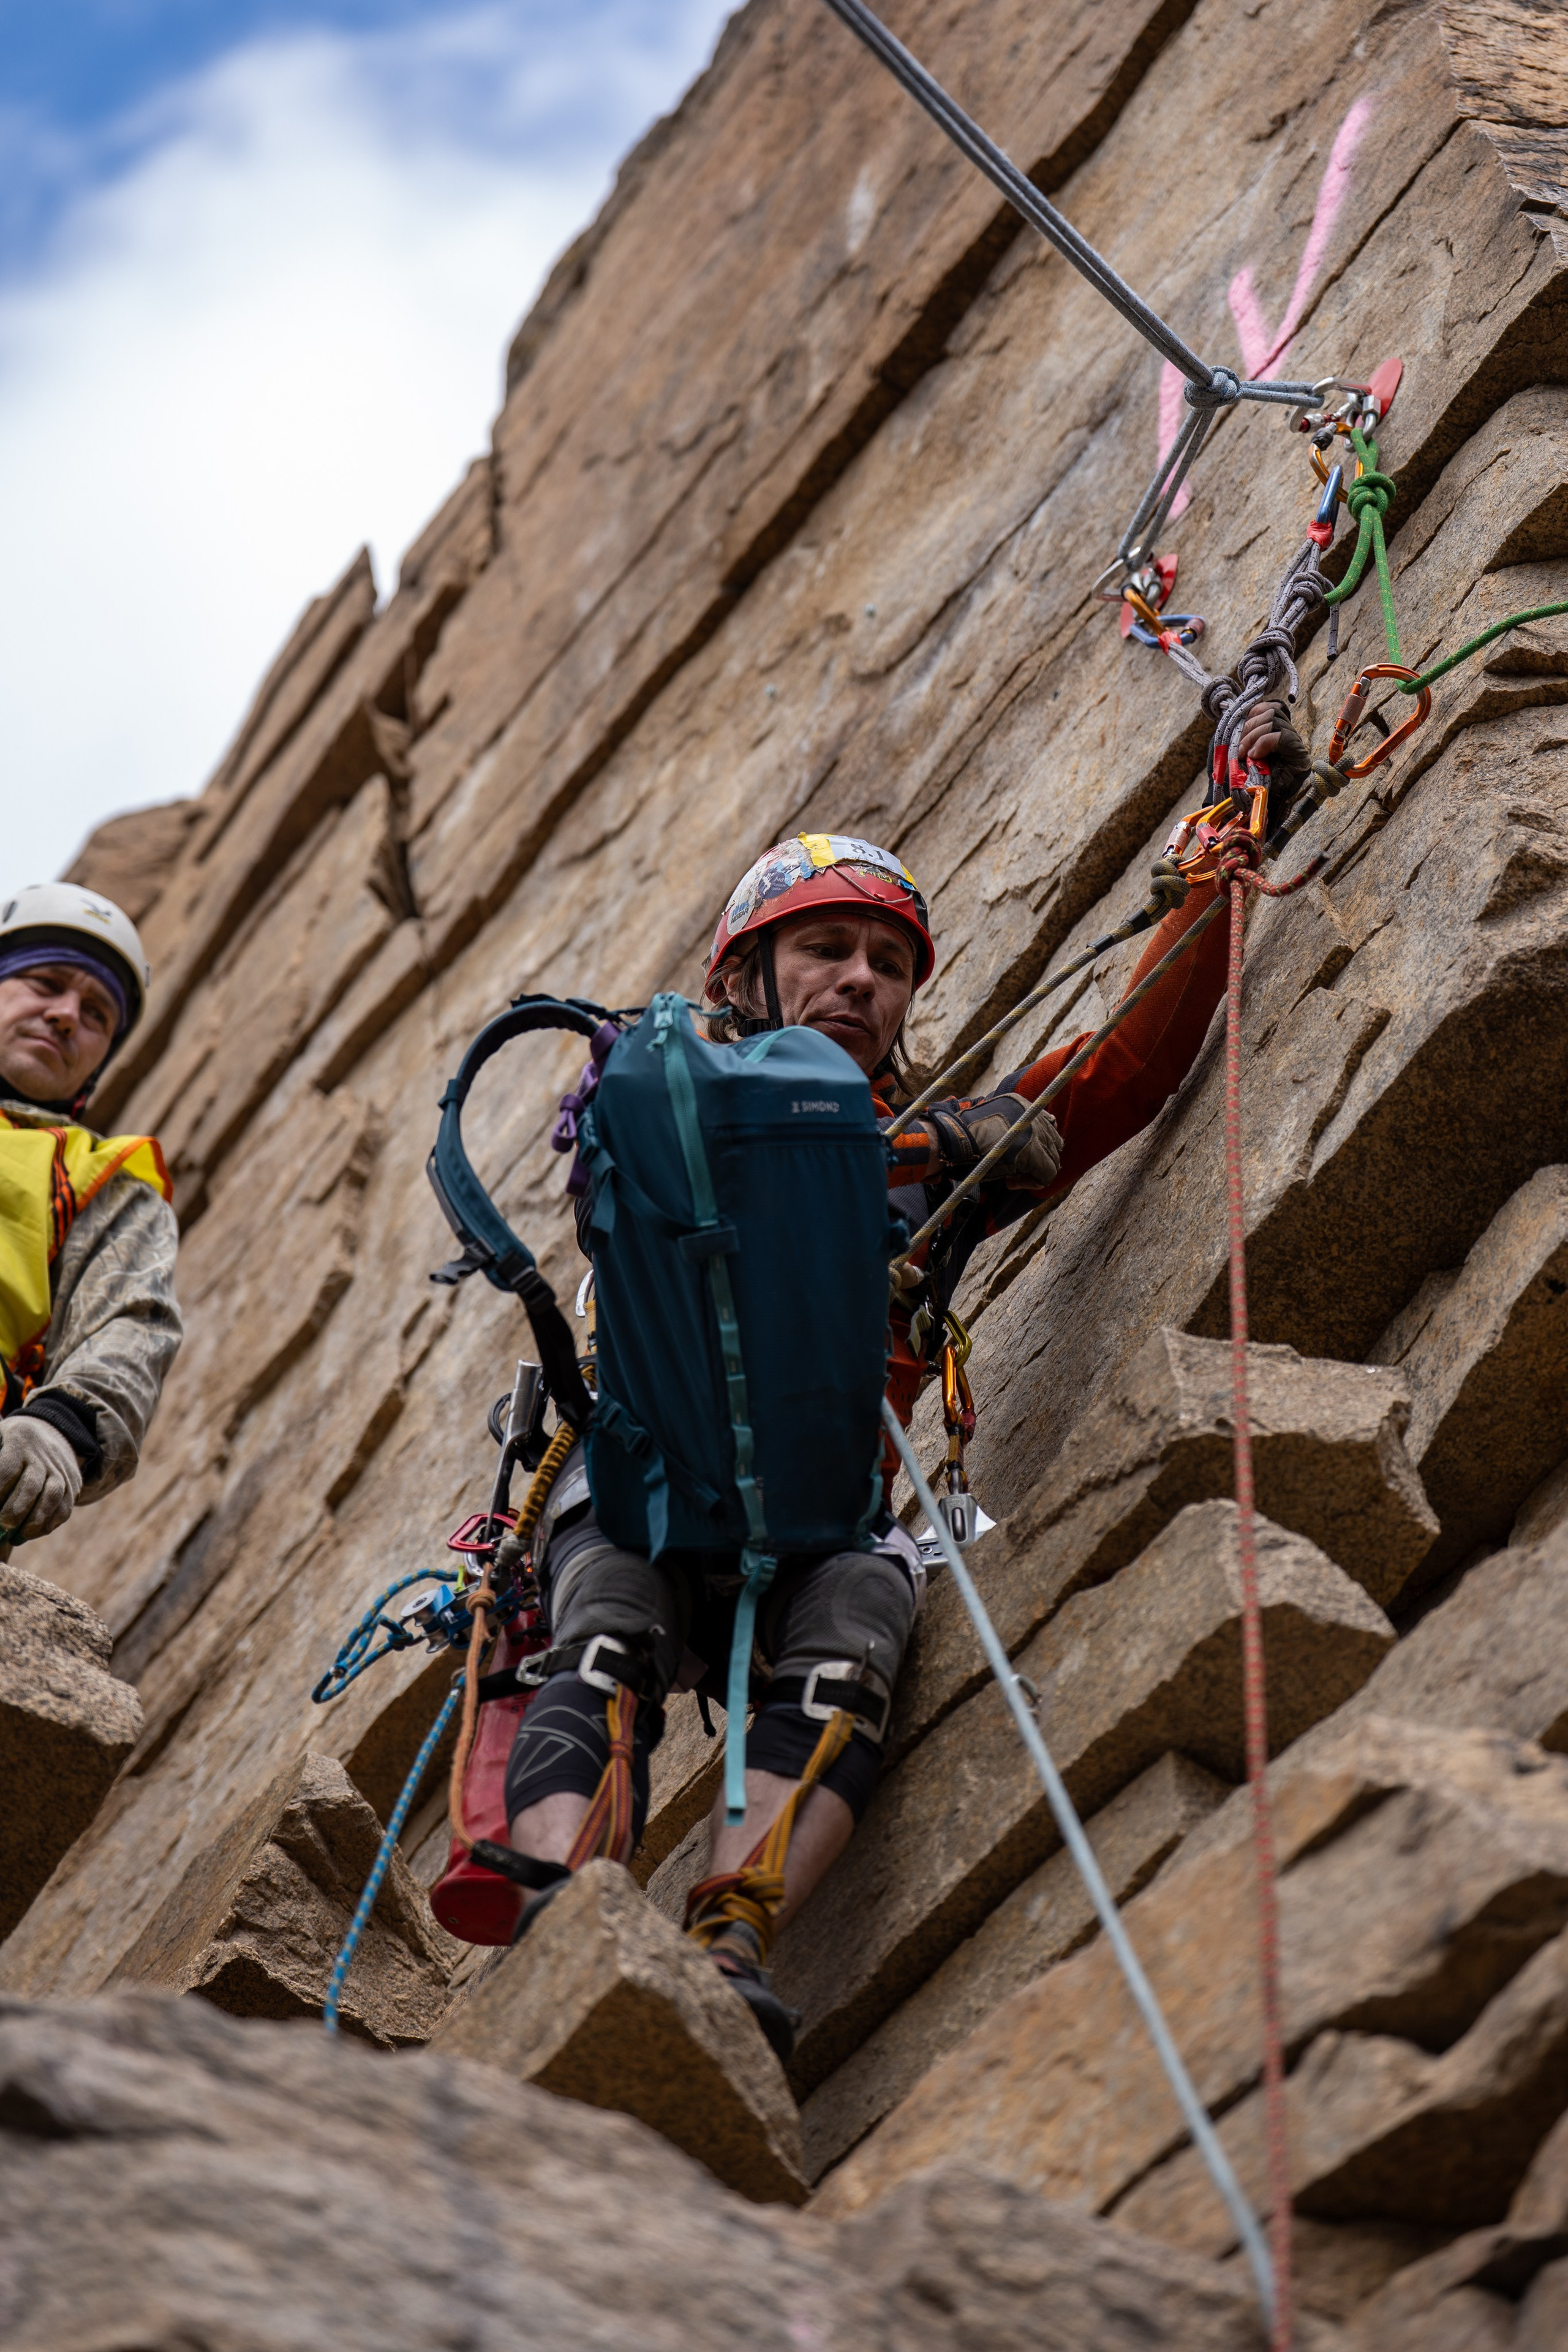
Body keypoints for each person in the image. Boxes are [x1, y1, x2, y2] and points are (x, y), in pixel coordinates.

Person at [502, 703, 1305, 2056]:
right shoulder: (663, 1090)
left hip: (831, 1499)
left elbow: (1110, 1076)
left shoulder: (940, 1158)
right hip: (648, 1468)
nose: (860, 980)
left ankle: (728, 1938)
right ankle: (567, 1927)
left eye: (886, 962)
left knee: (860, 1628)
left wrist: (1218, 866)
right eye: (824, 949)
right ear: (746, 973)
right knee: (601, 1631)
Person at [0, 883, 181, 1552]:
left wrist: (57, 1428)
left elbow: (129, 1325)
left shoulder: (104, 1181)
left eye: (98, 1013)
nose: (68, 1015)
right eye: (45, 982)